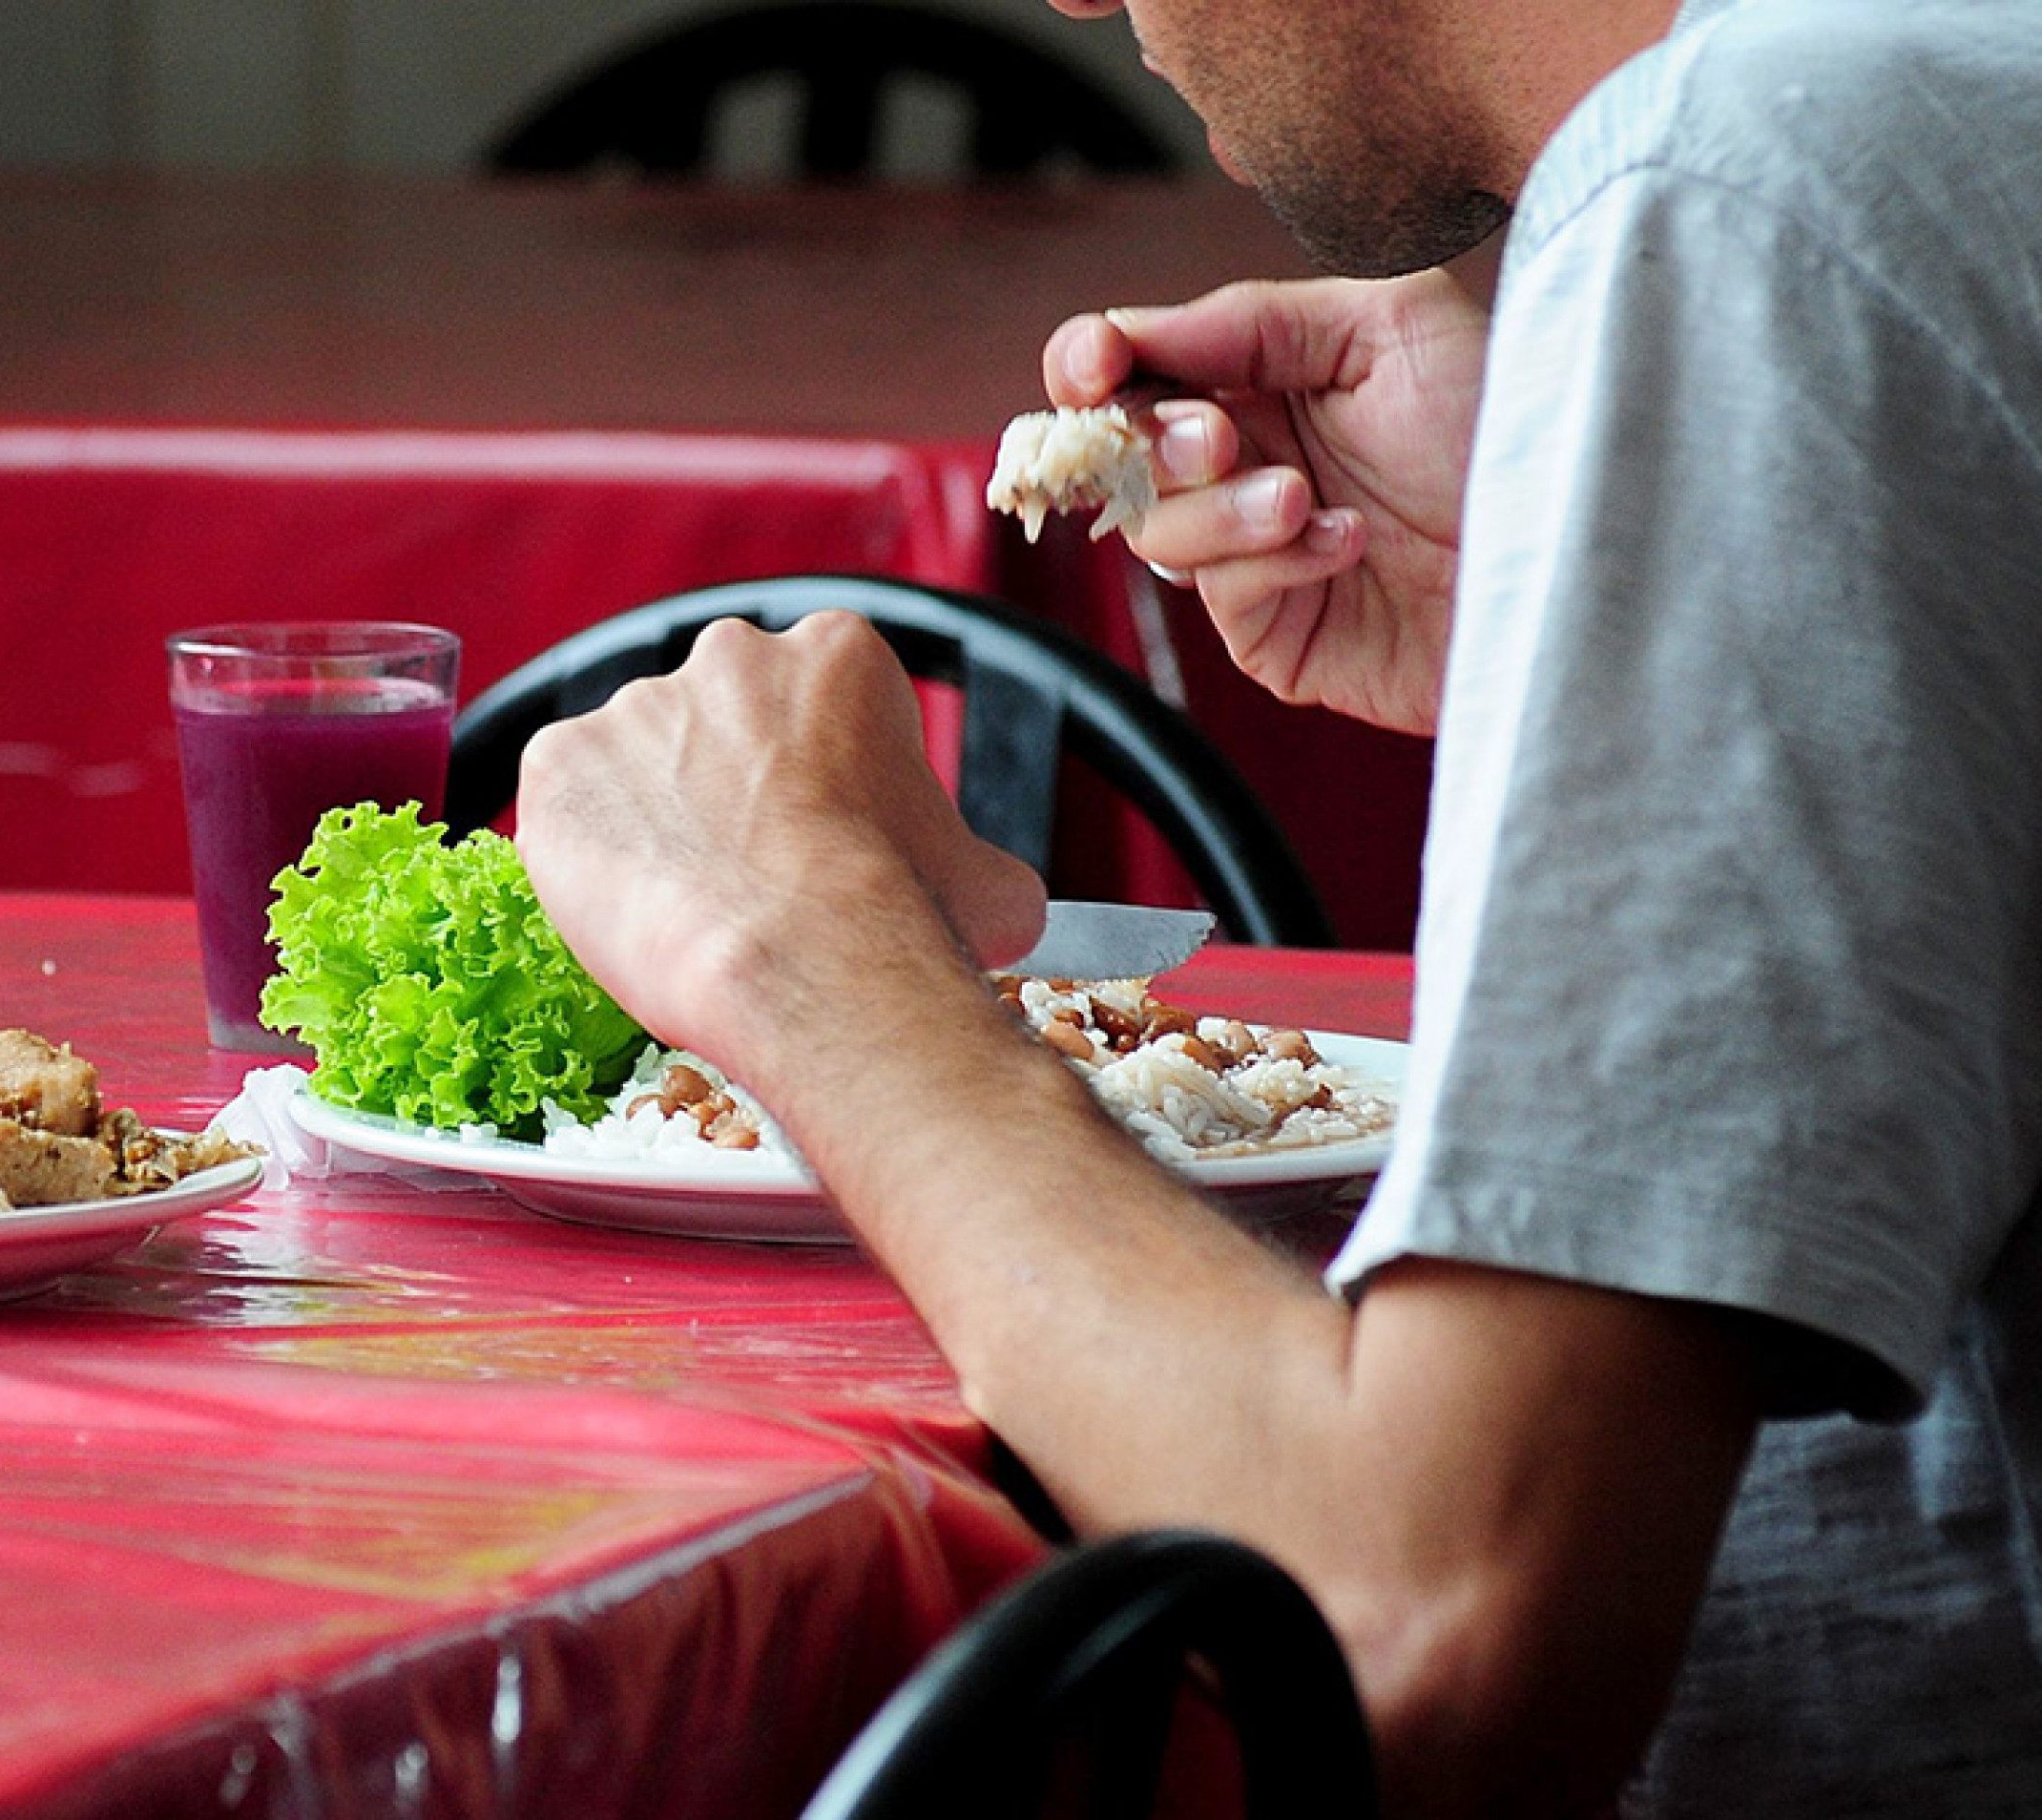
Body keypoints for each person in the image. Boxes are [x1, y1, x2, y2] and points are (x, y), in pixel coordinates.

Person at [511, 0, 2042, 1812]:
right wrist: (1636, 588)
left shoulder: (1756, 174)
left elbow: (1413, 1641)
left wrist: (801, 944)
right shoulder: (1953, 91)